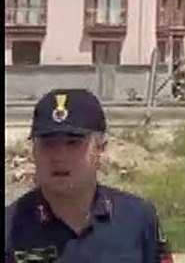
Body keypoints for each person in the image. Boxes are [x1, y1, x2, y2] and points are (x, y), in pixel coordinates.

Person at [4, 88, 172, 262]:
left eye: (73, 143)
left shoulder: (138, 220)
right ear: (34, 150)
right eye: (48, 144)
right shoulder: (10, 229)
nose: (59, 157)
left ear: (100, 149)